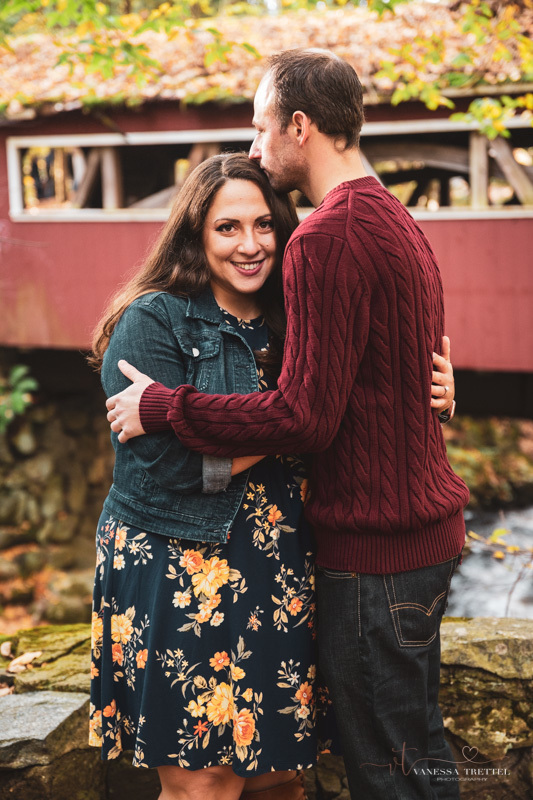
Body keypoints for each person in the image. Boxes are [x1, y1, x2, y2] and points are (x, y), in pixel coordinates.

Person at [105, 49, 467, 800]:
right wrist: (428, 393)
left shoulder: (325, 238)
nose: (253, 145)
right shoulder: (395, 218)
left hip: (373, 550)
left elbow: (306, 416)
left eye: (261, 127)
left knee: (390, 774)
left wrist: (166, 409)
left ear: (299, 125)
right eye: (225, 226)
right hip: (404, 540)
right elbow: (384, 363)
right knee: (411, 757)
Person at [89, 154, 322, 800]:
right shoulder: (152, 321)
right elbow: (168, 465)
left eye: (263, 226)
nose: (249, 246)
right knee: (204, 782)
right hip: (177, 566)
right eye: (227, 228)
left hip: (275, 568)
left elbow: (344, 410)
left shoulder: (296, 321)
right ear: (194, 233)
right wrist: (293, 424)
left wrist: (432, 393)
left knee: (277, 775)